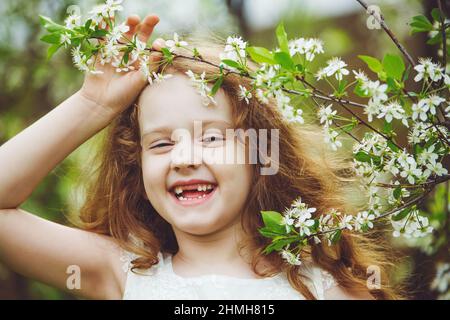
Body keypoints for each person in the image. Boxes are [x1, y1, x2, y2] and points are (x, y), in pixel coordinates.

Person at [0, 13, 400, 300]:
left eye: (211, 137)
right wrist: (92, 105)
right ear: (136, 169)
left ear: (260, 152)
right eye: (160, 143)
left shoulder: (323, 289)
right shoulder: (122, 273)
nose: (184, 158)